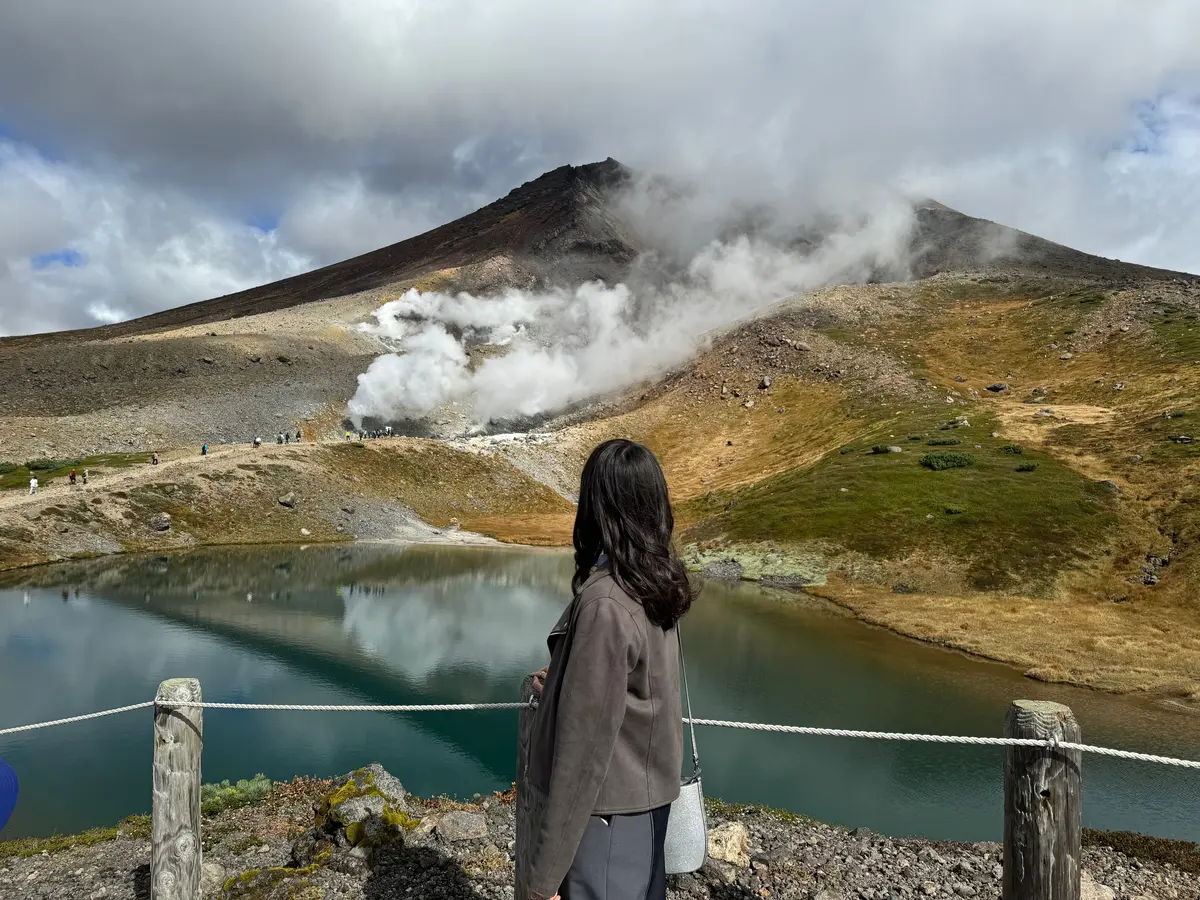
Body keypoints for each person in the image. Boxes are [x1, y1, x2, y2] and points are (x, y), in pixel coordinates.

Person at [521, 439, 693, 900]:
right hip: (648, 805)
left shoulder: (606, 603)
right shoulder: (655, 583)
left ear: (597, 508)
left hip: (605, 823)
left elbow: (583, 753)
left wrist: (542, 880)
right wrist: (560, 682)